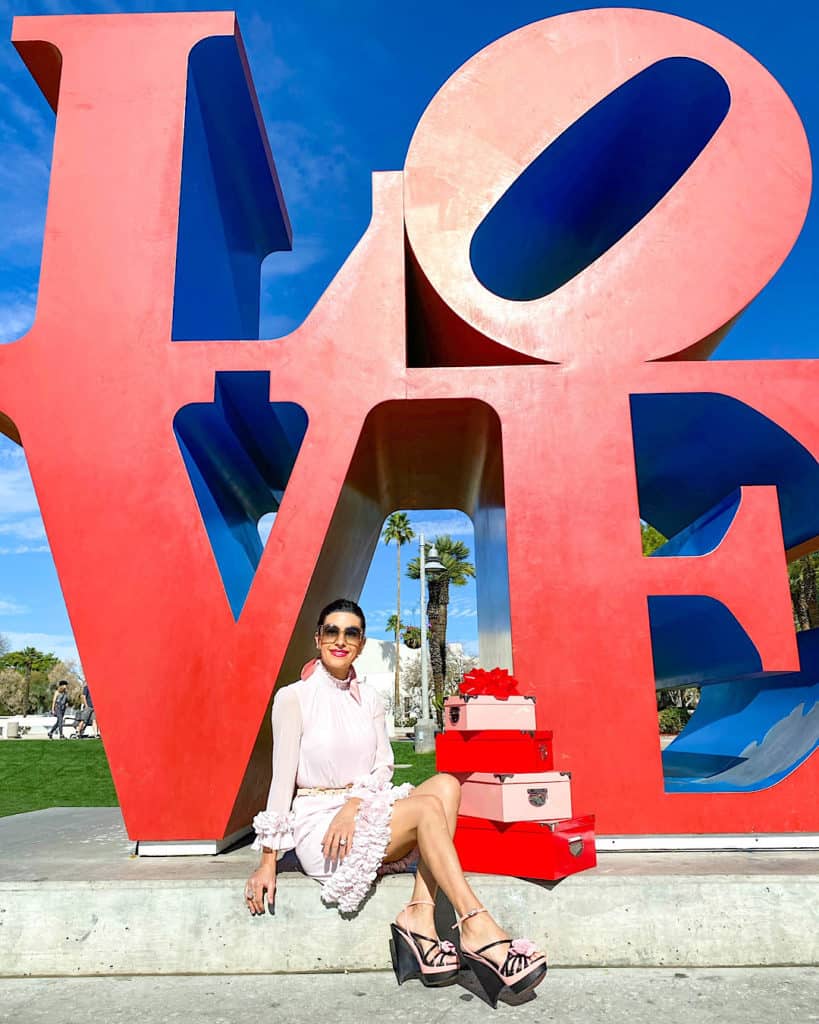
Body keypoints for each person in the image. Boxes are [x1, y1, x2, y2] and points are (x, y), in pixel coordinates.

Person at [245, 598, 546, 1004]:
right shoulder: (293, 698)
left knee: (445, 786)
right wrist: (268, 863)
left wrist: (353, 805)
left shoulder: (370, 699)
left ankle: (420, 913)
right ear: (317, 639)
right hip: (321, 827)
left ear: (362, 643)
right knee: (425, 809)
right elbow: (281, 781)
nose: (340, 640)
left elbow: (383, 767)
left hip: (361, 811)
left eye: (350, 633)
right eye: (331, 631)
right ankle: (476, 924)